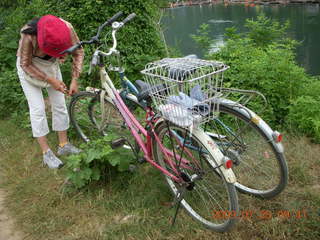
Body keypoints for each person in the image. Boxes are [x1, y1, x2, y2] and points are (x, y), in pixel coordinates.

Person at [16, 14, 84, 169]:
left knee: (60, 103)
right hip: (29, 67)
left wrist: (74, 79)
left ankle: (63, 145)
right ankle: (46, 153)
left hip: (50, 66)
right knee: (38, 109)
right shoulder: (28, 34)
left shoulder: (66, 28)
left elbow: (78, 52)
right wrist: (51, 80)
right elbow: (25, 64)